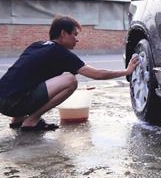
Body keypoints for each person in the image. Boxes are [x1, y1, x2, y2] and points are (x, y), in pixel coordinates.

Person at [0, 15, 139, 131]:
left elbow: (19, 73)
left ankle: (17, 121)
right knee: (70, 80)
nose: (77, 39)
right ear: (63, 34)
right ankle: (32, 121)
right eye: (75, 35)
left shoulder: (37, 45)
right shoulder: (60, 52)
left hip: (3, 100)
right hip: (14, 104)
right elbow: (97, 74)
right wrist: (127, 71)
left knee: (32, 78)